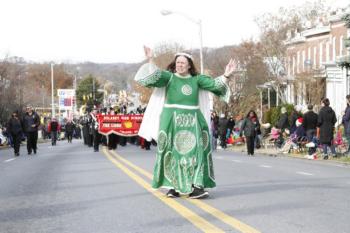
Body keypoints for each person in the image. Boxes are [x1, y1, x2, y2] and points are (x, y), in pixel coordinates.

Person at [135, 46, 235, 199]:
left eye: (182, 62)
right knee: (171, 152)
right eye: (177, 62)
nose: (179, 65)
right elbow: (154, 75)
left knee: (197, 153)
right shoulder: (169, 78)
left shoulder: (197, 80)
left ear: (189, 65)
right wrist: (150, 59)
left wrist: (226, 75)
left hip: (193, 122)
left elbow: (215, 85)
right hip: (171, 122)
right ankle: (172, 186)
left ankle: (196, 187)